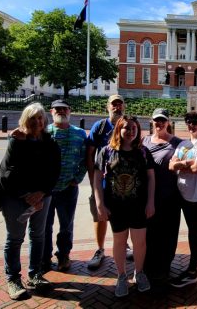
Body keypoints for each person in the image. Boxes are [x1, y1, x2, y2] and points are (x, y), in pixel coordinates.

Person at [0, 103, 60, 300]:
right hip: (16, 198)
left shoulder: (50, 142)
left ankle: (35, 274)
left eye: (40, 118)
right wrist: (27, 195)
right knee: (15, 238)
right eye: (32, 118)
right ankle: (13, 279)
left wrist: (42, 193)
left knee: (38, 236)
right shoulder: (17, 141)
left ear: (45, 120)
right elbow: (7, 173)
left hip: (42, 198)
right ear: (26, 120)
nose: (37, 122)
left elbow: (54, 171)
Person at [93, 115, 155, 297]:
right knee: (119, 242)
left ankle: (139, 272)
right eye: (126, 128)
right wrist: (99, 203)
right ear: (118, 129)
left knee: (139, 242)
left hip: (138, 206)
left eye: (134, 128)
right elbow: (97, 179)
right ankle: (121, 276)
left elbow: (151, 178)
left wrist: (151, 202)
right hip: (116, 206)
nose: (130, 132)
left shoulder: (143, 152)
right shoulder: (106, 151)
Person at [86, 94, 132, 269]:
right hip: (103, 182)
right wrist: (93, 179)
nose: (117, 107)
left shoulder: (127, 125)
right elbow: (90, 154)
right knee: (100, 216)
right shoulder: (100, 126)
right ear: (108, 107)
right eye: (114, 104)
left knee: (122, 215)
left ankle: (124, 245)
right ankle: (100, 249)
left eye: (120, 104)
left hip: (121, 183)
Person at [42, 100, 87, 273]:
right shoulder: (44, 133)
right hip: (46, 189)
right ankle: (44, 258)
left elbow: (85, 159)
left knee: (66, 224)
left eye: (64, 109)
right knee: (44, 225)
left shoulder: (79, 134)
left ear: (70, 111)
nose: (61, 111)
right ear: (51, 111)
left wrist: (77, 178)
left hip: (68, 188)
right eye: (58, 109)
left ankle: (63, 255)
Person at [169, 112, 197, 288]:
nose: (191, 125)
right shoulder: (183, 144)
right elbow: (171, 166)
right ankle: (196, 262)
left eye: (194, 122)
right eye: (188, 122)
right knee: (191, 231)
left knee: (195, 231)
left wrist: (183, 164)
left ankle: (192, 272)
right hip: (184, 194)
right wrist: (188, 163)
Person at [142, 108, 182, 282]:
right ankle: (147, 265)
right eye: (156, 120)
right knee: (149, 232)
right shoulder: (143, 142)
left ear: (168, 122)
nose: (159, 123)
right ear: (152, 121)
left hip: (170, 196)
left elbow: (187, 166)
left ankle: (165, 265)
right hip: (148, 196)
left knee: (168, 232)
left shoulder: (178, 143)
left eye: (162, 120)